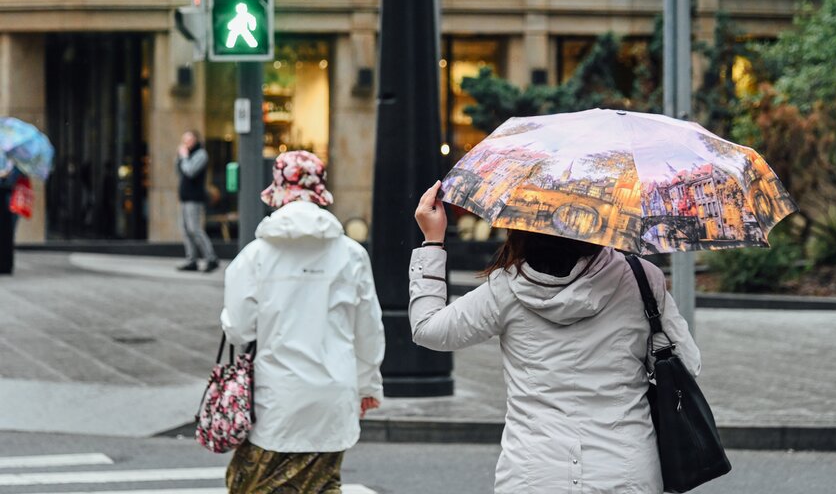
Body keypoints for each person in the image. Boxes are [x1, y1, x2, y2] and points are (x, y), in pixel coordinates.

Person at [410, 181, 701, 493]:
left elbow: (429, 330)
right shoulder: (641, 279)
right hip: (624, 469)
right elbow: (687, 364)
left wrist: (433, 242)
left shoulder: (505, 289)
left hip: (533, 473)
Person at [221, 150, 385, 494]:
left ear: (278, 193)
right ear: (320, 194)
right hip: (333, 397)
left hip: (277, 399)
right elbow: (368, 331)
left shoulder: (256, 256)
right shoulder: (352, 255)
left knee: (249, 484)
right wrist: (368, 385)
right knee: (323, 485)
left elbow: (239, 329)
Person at [176, 130, 218, 272]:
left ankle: (211, 258)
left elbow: (190, 171)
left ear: (195, 140)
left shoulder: (201, 154)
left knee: (195, 229)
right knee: (186, 230)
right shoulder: (187, 155)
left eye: (188, 140)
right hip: (185, 198)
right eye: (184, 140)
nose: (185, 143)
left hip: (194, 198)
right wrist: (181, 158)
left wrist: (184, 157)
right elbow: (179, 171)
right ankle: (192, 260)